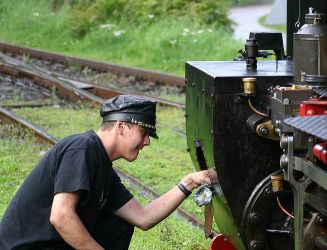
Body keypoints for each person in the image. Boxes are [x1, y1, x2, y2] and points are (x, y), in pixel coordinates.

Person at [0, 95, 211, 250]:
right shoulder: (81, 148)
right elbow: (61, 216)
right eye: (143, 133)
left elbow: (143, 217)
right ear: (121, 126)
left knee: (120, 225)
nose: (146, 142)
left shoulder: (103, 168)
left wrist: (189, 182)